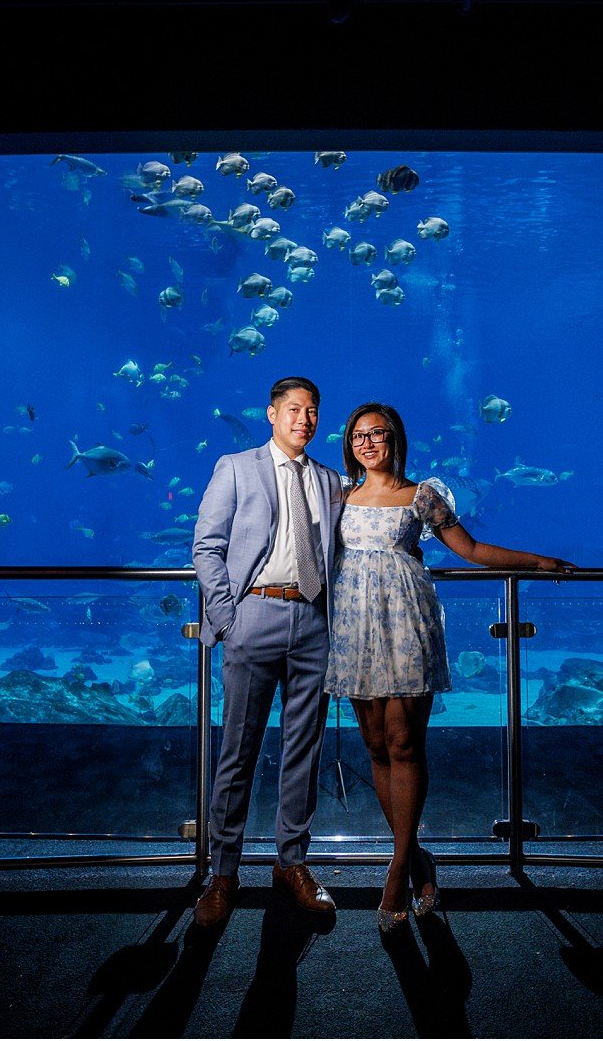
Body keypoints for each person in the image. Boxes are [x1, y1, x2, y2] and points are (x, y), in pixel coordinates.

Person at [325, 402, 574, 932]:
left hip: (406, 622)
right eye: (359, 436)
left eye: (379, 434)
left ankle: (395, 870)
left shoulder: (422, 495)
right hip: (354, 627)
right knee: (373, 744)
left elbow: (472, 547)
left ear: (396, 439)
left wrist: (538, 562)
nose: (368, 443)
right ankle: (417, 859)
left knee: (405, 743)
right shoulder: (339, 497)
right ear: (348, 443)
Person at [190, 376, 344, 928]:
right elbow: (205, 545)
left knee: (304, 748)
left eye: (313, 411)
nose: (305, 419)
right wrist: (229, 619)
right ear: (271, 414)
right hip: (251, 615)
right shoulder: (236, 467)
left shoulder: (330, 480)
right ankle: (224, 873)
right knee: (239, 751)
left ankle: (292, 863)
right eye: (295, 409)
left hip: (313, 623)